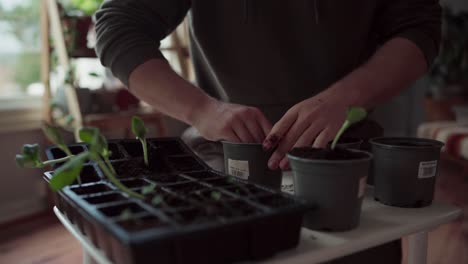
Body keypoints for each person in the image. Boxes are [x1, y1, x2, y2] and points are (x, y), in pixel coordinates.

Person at [94, 0, 441, 262]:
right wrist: (202, 110)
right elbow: (117, 25)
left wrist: (347, 98)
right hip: (227, 161)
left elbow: (419, 27)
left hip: (347, 165)